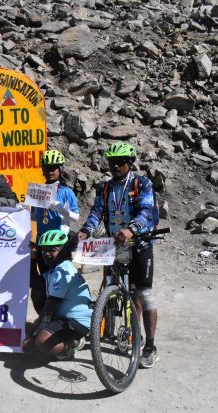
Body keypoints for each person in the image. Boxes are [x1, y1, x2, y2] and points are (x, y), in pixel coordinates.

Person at [77, 142, 159, 368]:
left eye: (120, 162)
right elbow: (97, 212)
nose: (115, 166)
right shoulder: (104, 188)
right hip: (114, 244)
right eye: (111, 162)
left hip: (140, 244)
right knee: (117, 289)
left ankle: (150, 346)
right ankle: (124, 333)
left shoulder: (141, 183)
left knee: (143, 294)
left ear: (130, 163)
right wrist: (86, 230)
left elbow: (147, 210)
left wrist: (132, 228)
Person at [26, 229, 92, 360]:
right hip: (64, 317)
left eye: (52, 250)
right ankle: (54, 332)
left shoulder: (62, 271)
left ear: (63, 250)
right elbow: (35, 282)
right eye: (44, 250)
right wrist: (33, 257)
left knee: (41, 341)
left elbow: (50, 307)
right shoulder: (55, 268)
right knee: (37, 292)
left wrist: (33, 334)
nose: (47, 254)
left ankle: (74, 343)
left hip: (77, 321)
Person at [29, 149, 80, 314]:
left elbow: (76, 217)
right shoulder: (38, 190)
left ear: (60, 169)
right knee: (44, 280)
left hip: (60, 244)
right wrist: (21, 210)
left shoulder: (66, 192)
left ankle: (62, 315)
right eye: (46, 167)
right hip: (42, 242)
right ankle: (45, 316)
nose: (50, 171)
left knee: (60, 280)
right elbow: (35, 217)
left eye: (53, 168)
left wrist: (61, 210)